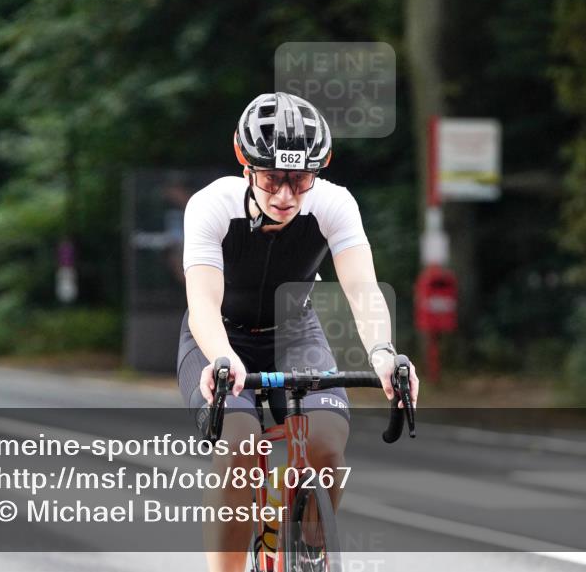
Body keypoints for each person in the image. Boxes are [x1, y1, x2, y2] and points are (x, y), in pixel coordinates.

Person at [176, 92, 419, 572]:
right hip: (219, 335)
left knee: (327, 440)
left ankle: (306, 550)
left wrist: (385, 355)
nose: (286, 195)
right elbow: (202, 302)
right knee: (239, 447)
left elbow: (362, 288)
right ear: (247, 167)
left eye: (301, 179)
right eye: (272, 179)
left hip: (294, 330)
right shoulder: (210, 206)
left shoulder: (334, 204)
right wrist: (223, 359)